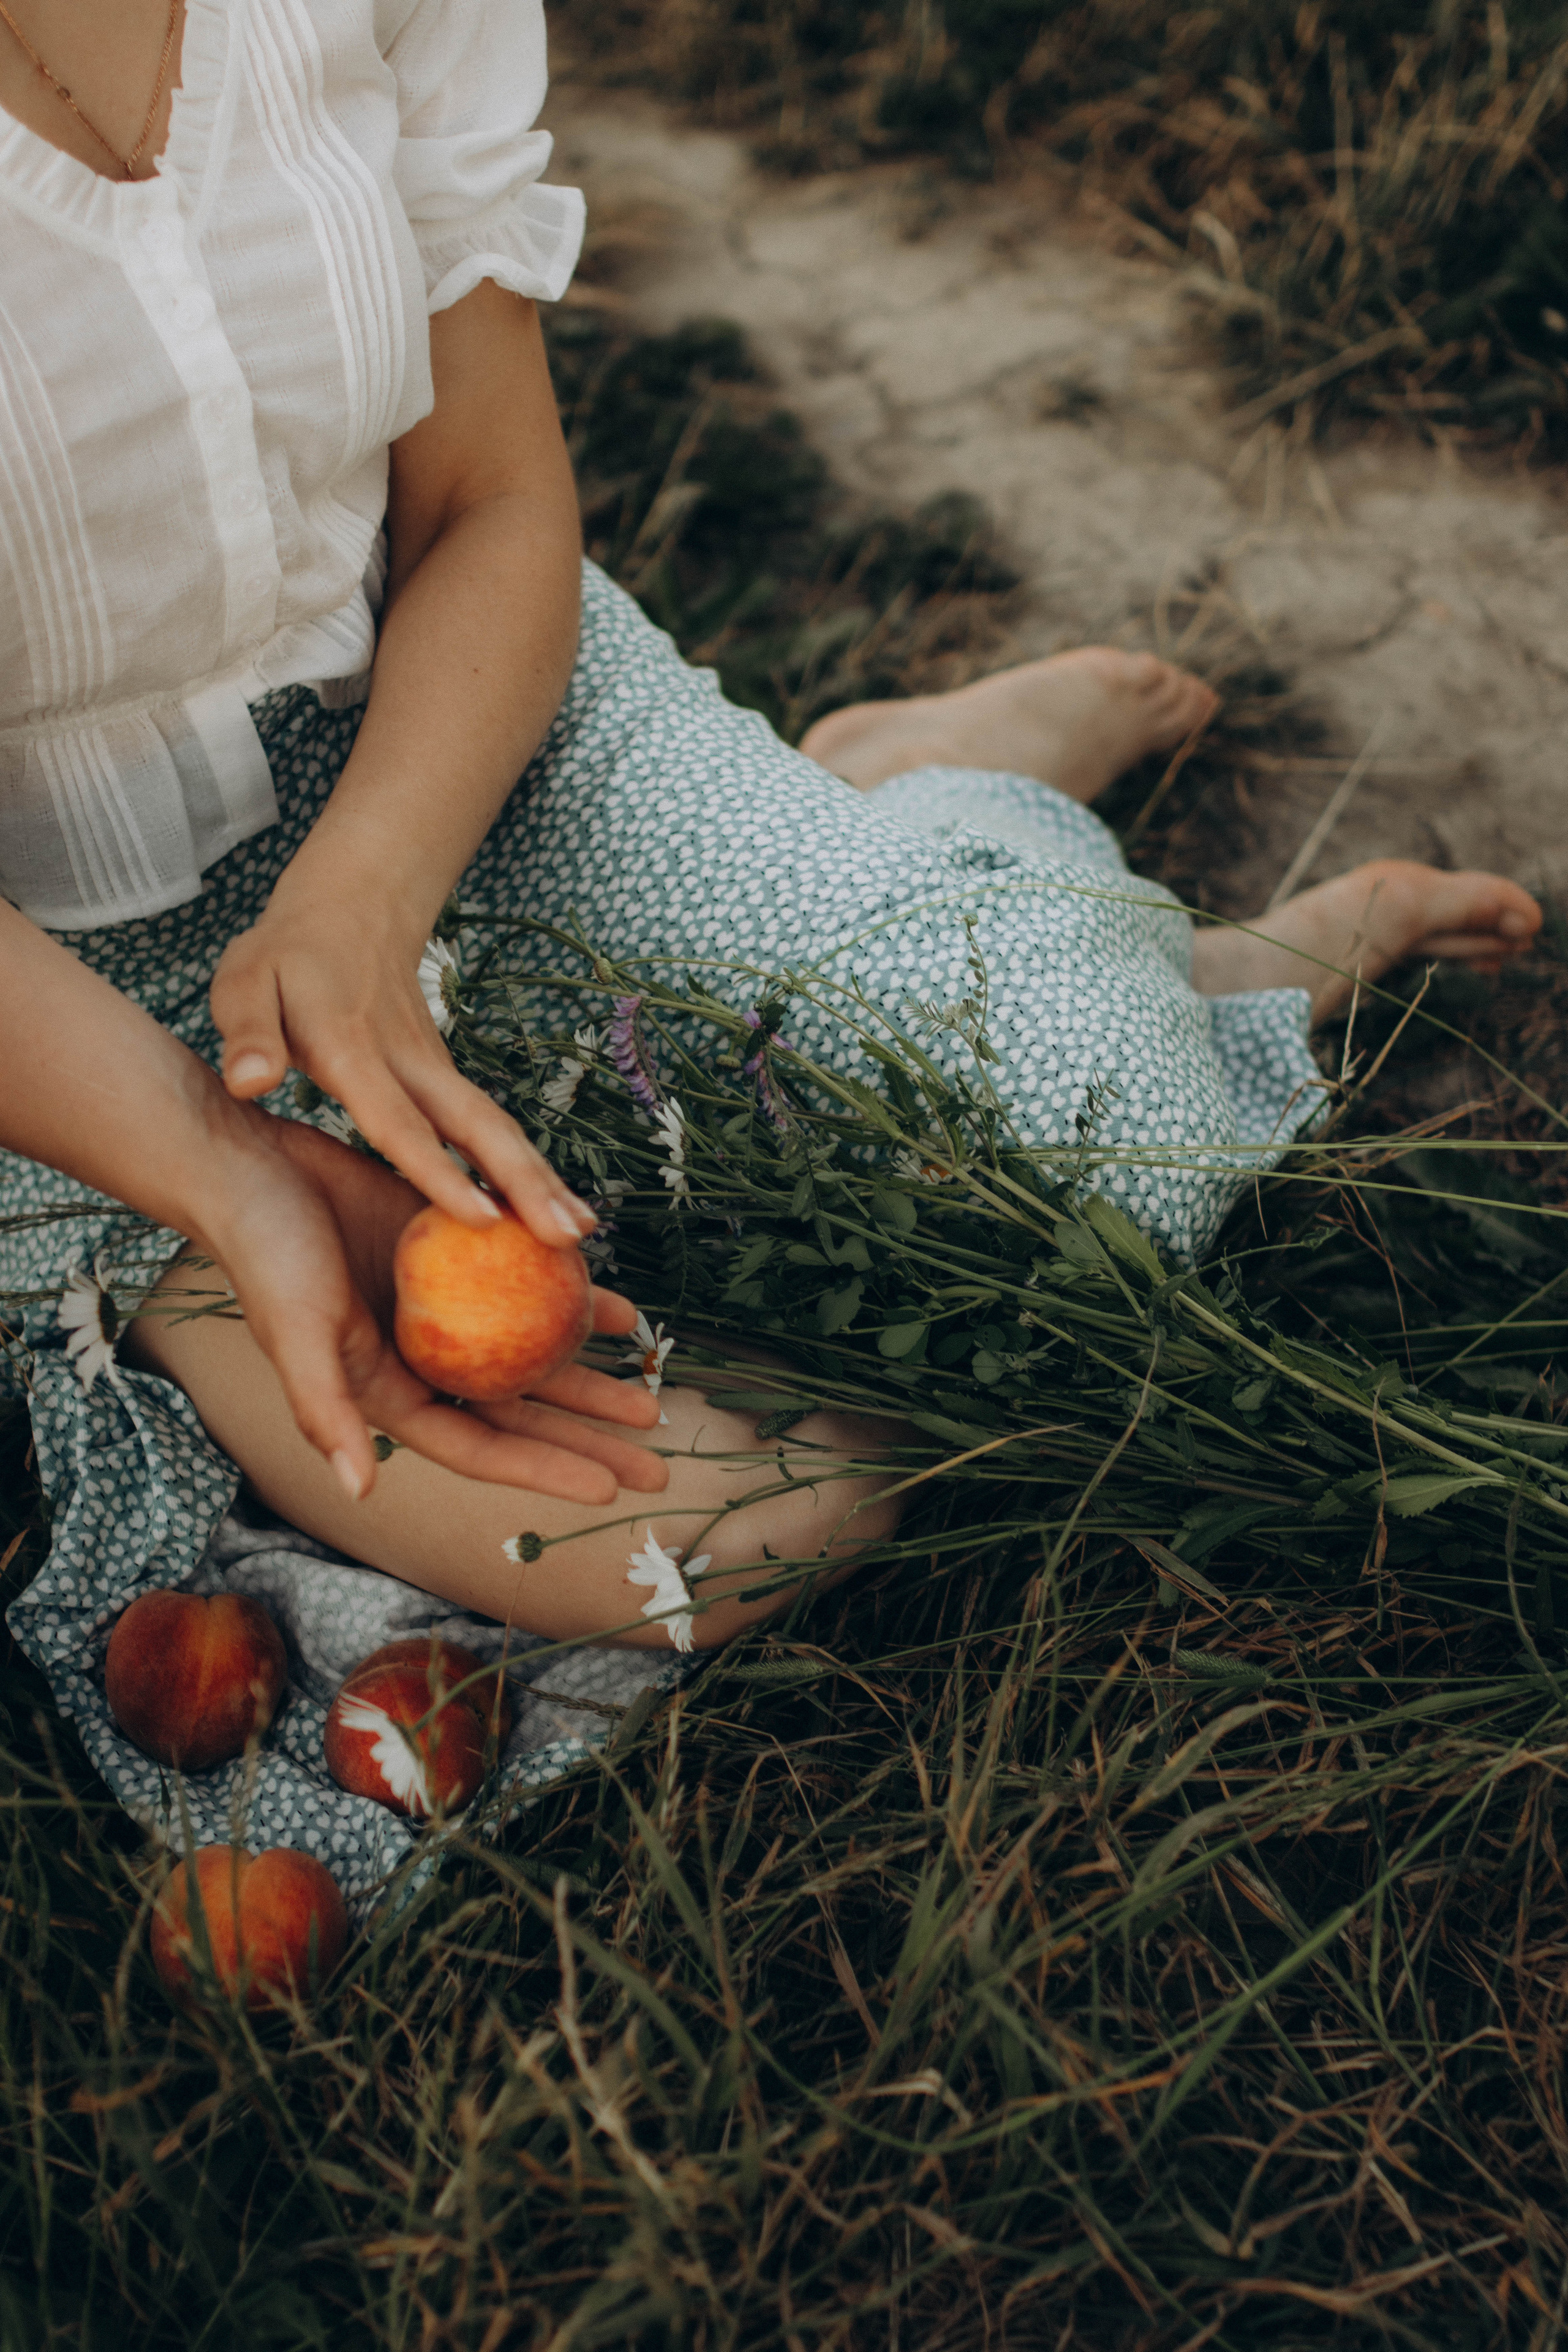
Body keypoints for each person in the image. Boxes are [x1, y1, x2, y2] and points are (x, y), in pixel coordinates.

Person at [0, 0, 1542, 1667]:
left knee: (1107, 1131)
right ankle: (898, 837)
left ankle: (943, 804)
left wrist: (371, 881)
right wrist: (225, 1167)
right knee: (714, 1539)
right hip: (83, 1005)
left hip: (449, 739)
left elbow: (487, 499)